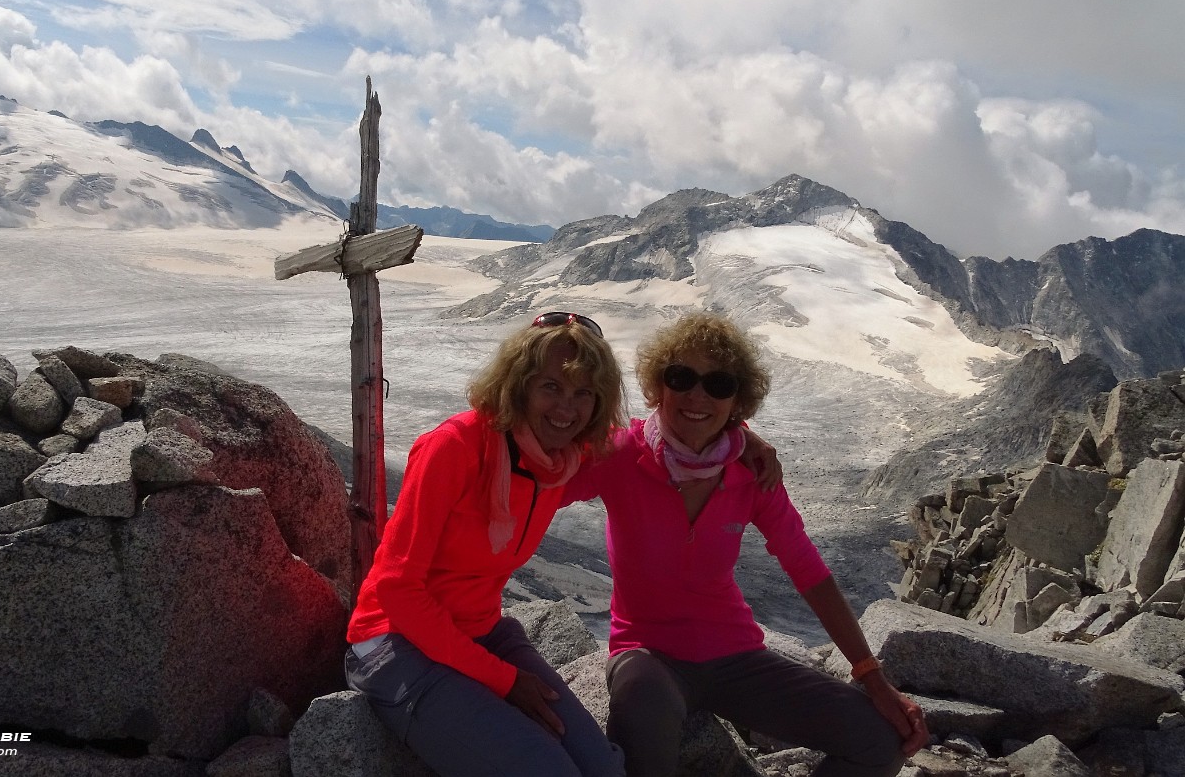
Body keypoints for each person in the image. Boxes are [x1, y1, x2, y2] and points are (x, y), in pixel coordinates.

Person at [564, 312, 929, 777]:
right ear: (659, 387)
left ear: (739, 400)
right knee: (641, 700)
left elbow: (808, 569)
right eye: (681, 378)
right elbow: (537, 485)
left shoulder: (751, 474)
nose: (698, 395)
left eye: (719, 384)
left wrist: (871, 678)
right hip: (648, 653)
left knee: (880, 738)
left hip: (735, 656)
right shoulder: (619, 456)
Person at [344, 312, 628, 777]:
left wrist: (742, 439)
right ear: (519, 384)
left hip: (481, 631)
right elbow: (397, 587)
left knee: (603, 768)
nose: (566, 408)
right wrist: (504, 680)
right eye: (551, 387)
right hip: (394, 643)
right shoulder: (455, 447)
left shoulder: (563, 456)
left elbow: (657, 440)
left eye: (584, 393)